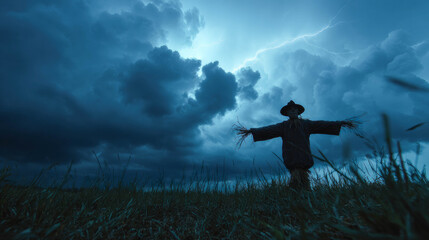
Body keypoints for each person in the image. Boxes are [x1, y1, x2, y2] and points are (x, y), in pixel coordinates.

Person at [236, 100, 357, 191]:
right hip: (292, 158)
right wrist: (252, 131)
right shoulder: (283, 126)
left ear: (298, 112)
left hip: (304, 157)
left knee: (302, 182)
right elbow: (269, 129)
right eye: (290, 110)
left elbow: (322, 124)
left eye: (295, 110)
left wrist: (339, 124)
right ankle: (297, 195)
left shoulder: (306, 124)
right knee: (297, 182)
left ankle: (299, 195)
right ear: (287, 113)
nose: (293, 111)